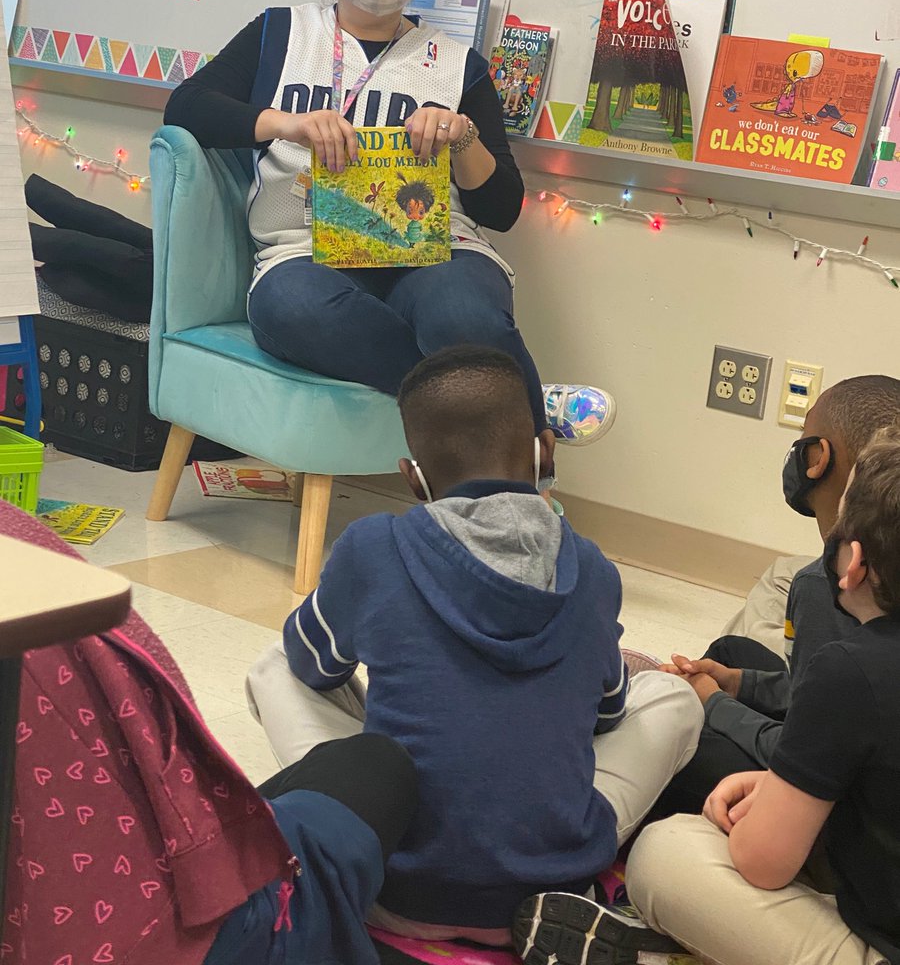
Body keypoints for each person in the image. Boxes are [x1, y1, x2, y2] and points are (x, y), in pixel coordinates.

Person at [246, 346, 703, 943]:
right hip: (551, 884)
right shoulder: (593, 570)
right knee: (671, 698)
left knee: (275, 662)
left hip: (394, 884)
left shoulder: (375, 546)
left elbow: (311, 665)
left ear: (413, 477)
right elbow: (610, 714)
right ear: (545, 449)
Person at [163, 0, 613, 451]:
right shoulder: (280, 33)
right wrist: (287, 124)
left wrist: (461, 135)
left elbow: (500, 210)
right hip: (305, 249)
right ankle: (520, 409)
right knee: (292, 309)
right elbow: (186, 108)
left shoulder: (457, 63)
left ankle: (510, 425)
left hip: (435, 248)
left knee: (465, 317)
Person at [2, 498, 417, 965]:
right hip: (199, 931)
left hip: (78, 914)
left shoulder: (378, 544)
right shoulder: (36, 582)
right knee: (369, 758)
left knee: (292, 673)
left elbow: (313, 659)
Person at [623, 424, 900, 965]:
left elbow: (762, 862)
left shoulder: (851, 669)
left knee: (663, 852)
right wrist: (736, 692)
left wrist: (718, 710)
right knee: (735, 651)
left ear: (855, 563)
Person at [651, 374, 900, 817]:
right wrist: (733, 682)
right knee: (733, 653)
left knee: (677, 743)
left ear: (819, 457)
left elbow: (805, 754)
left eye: (804, 439)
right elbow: (830, 701)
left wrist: (715, 705)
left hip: (837, 803)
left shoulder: (822, 589)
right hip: (855, 737)